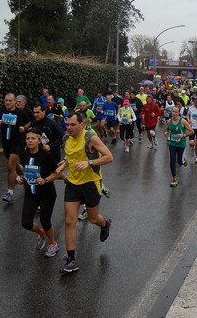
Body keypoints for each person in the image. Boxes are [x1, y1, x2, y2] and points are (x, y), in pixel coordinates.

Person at [55, 113, 113, 274]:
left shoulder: (90, 138)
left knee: (94, 218)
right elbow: (71, 156)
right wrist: (64, 164)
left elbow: (109, 157)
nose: (69, 127)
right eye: (68, 124)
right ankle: (72, 259)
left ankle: (105, 224)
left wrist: (89, 162)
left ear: (82, 124)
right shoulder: (66, 139)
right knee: (69, 220)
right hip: (73, 183)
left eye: (73, 124)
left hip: (91, 183)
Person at [17, 128, 62, 258]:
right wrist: (22, 178)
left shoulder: (46, 155)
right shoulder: (25, 154)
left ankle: (53, 243)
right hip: (30, 193)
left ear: (38, 140)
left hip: (47, 193)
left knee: (45, 220)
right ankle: (42, 233)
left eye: (33, 138)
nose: (30, 141)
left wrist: (45, 180)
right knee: (26, 222)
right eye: (28, 138)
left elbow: (56, 173)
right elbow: (26, 171)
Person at [0, 93, 30, 203]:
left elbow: (29, 122)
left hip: (17, 142)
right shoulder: (0, 111)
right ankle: (28, 179)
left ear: (14, 101)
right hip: (6, 142)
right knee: (15, 165)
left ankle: (10, 192)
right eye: (6, 100)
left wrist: (24, 128)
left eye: (10, 100)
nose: (8, 102)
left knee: (10, 166)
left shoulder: (20, 112)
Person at [164, 106, 194, 187]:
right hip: (172, 143)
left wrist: (183, 135)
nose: (173, 113)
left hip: (181, 144)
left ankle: (183, 160)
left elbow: (191, 131)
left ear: (178, 113)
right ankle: (174, 178)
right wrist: (166, 133)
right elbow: (167, 129)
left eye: (175, 112)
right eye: (173, 111)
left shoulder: (183, 121)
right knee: (172, 160)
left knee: (180, 162)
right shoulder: (169, 121)